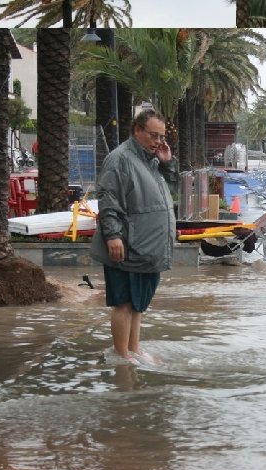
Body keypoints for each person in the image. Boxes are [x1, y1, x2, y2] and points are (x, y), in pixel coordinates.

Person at [90, 110, 177, 362]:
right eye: (153, 135)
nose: (158, 141)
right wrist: (113, 235)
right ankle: (120, 355)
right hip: (128, 243)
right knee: (124, 302)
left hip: (149, 245)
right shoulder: (120, 159)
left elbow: (169, 191)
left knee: (138, 304)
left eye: (161, 136)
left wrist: (167, 162)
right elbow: (108, 199)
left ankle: (134, 349)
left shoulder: (151, 160)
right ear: (137, 130)